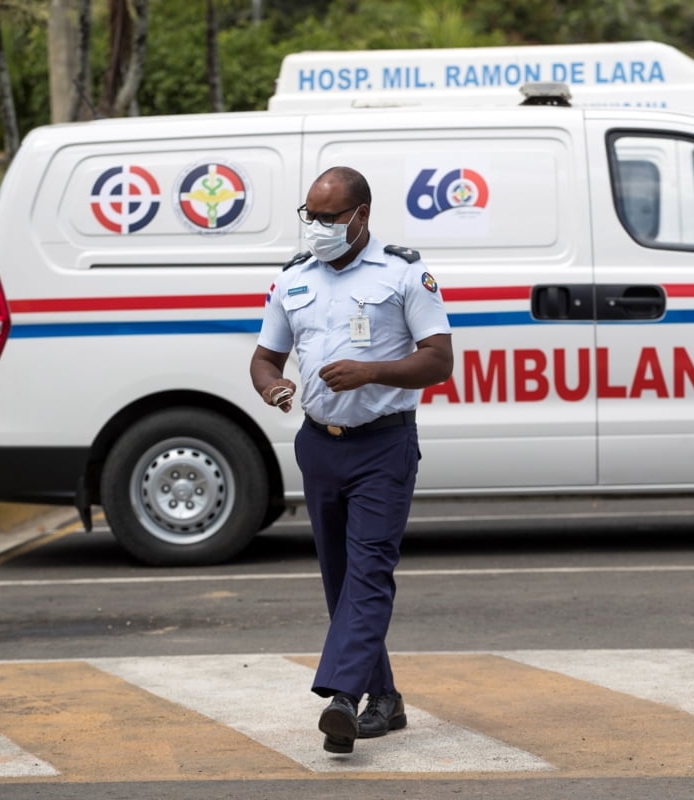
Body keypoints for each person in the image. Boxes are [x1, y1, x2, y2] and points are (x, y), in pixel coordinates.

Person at [249, 166, 453, 754]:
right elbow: (266, 358)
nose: (314, 226)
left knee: (368, 571)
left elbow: (439, 360)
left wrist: (373, 371)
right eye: (307, 215)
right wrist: (273, 388)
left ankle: (342, 696)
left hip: (383, 443)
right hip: (318, 444)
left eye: (327, 217)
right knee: (340, 579)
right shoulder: (292, 280)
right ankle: (384, 698)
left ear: (360, 215)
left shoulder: (403, 272)